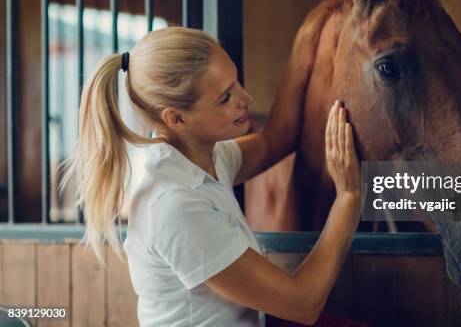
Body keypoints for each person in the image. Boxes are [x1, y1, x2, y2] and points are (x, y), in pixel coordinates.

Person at [62, 26, 363, 326]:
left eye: (237, 82)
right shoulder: (175, 204)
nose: (245, 98)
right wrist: (348, 197)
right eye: (225, 97)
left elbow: (276, 138)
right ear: (177, 118)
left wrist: (309, 38)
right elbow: (303, 304)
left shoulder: (205, 157)